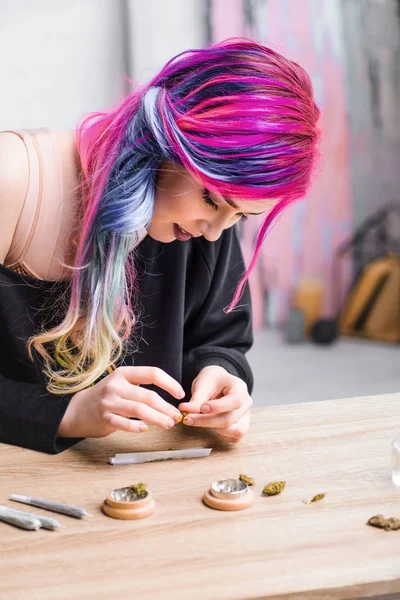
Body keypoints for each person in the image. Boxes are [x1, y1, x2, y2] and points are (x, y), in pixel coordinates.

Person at [0, 38, 320, 453]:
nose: (214, 233)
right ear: (163, 142)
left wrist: (224, 374)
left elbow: (220, 339)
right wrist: (67, 413)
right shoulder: (14, 181)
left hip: (149, 488)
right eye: (212, 199)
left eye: (242, 216)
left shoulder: (207, 220)